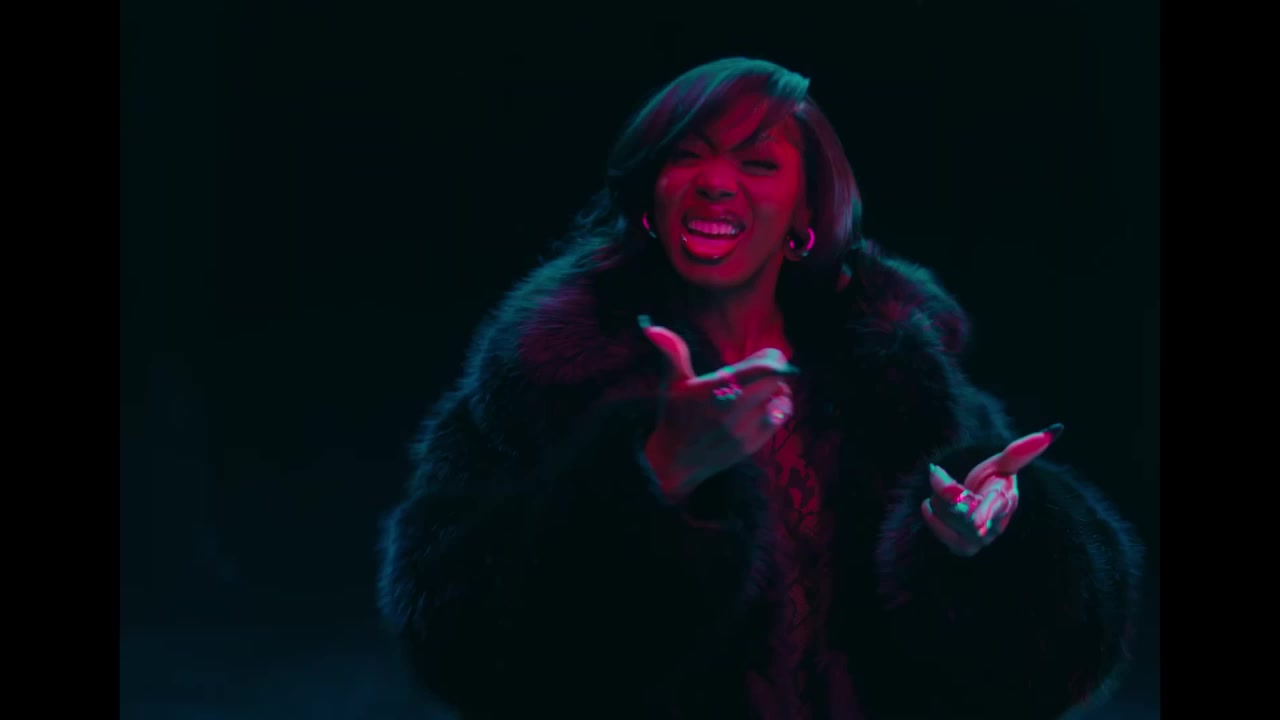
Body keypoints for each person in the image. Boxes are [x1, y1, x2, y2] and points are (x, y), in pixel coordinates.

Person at [377, 57, 1143, 720]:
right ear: (649, 195)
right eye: (688, 156)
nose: (716, 183)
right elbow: (459, 641)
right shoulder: (548, 379)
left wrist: (983, 544)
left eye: (757, 163)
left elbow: (1051, 659)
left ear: (807, 208)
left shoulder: (899, 379)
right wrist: (655, 478)